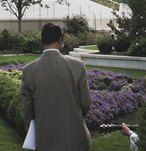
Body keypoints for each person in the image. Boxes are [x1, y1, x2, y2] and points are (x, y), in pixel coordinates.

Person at [21, 22, 93, 151]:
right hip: (75, 137)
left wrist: (32, 137)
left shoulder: (28, 71)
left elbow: (28, 111)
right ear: (60, 40)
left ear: (42, 42)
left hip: (44, 140)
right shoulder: (77, 66)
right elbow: (86, 103)